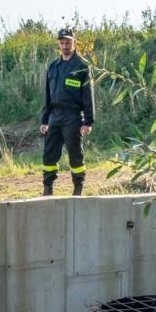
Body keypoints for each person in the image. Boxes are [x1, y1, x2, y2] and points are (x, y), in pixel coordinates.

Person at [38, 27, 95, 195]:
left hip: (73, 117)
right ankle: (48, 188)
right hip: (54, 116)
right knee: (49, 154)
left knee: (75, 154)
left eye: (68, 42)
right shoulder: (53, 67)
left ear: (74, 42)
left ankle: (78, 187)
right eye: (62, 43)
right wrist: (44, 119)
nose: (65, 46)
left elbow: (88, 96)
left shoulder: (82, 67)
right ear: (59, 44)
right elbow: (47, 95)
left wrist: (88, 122)